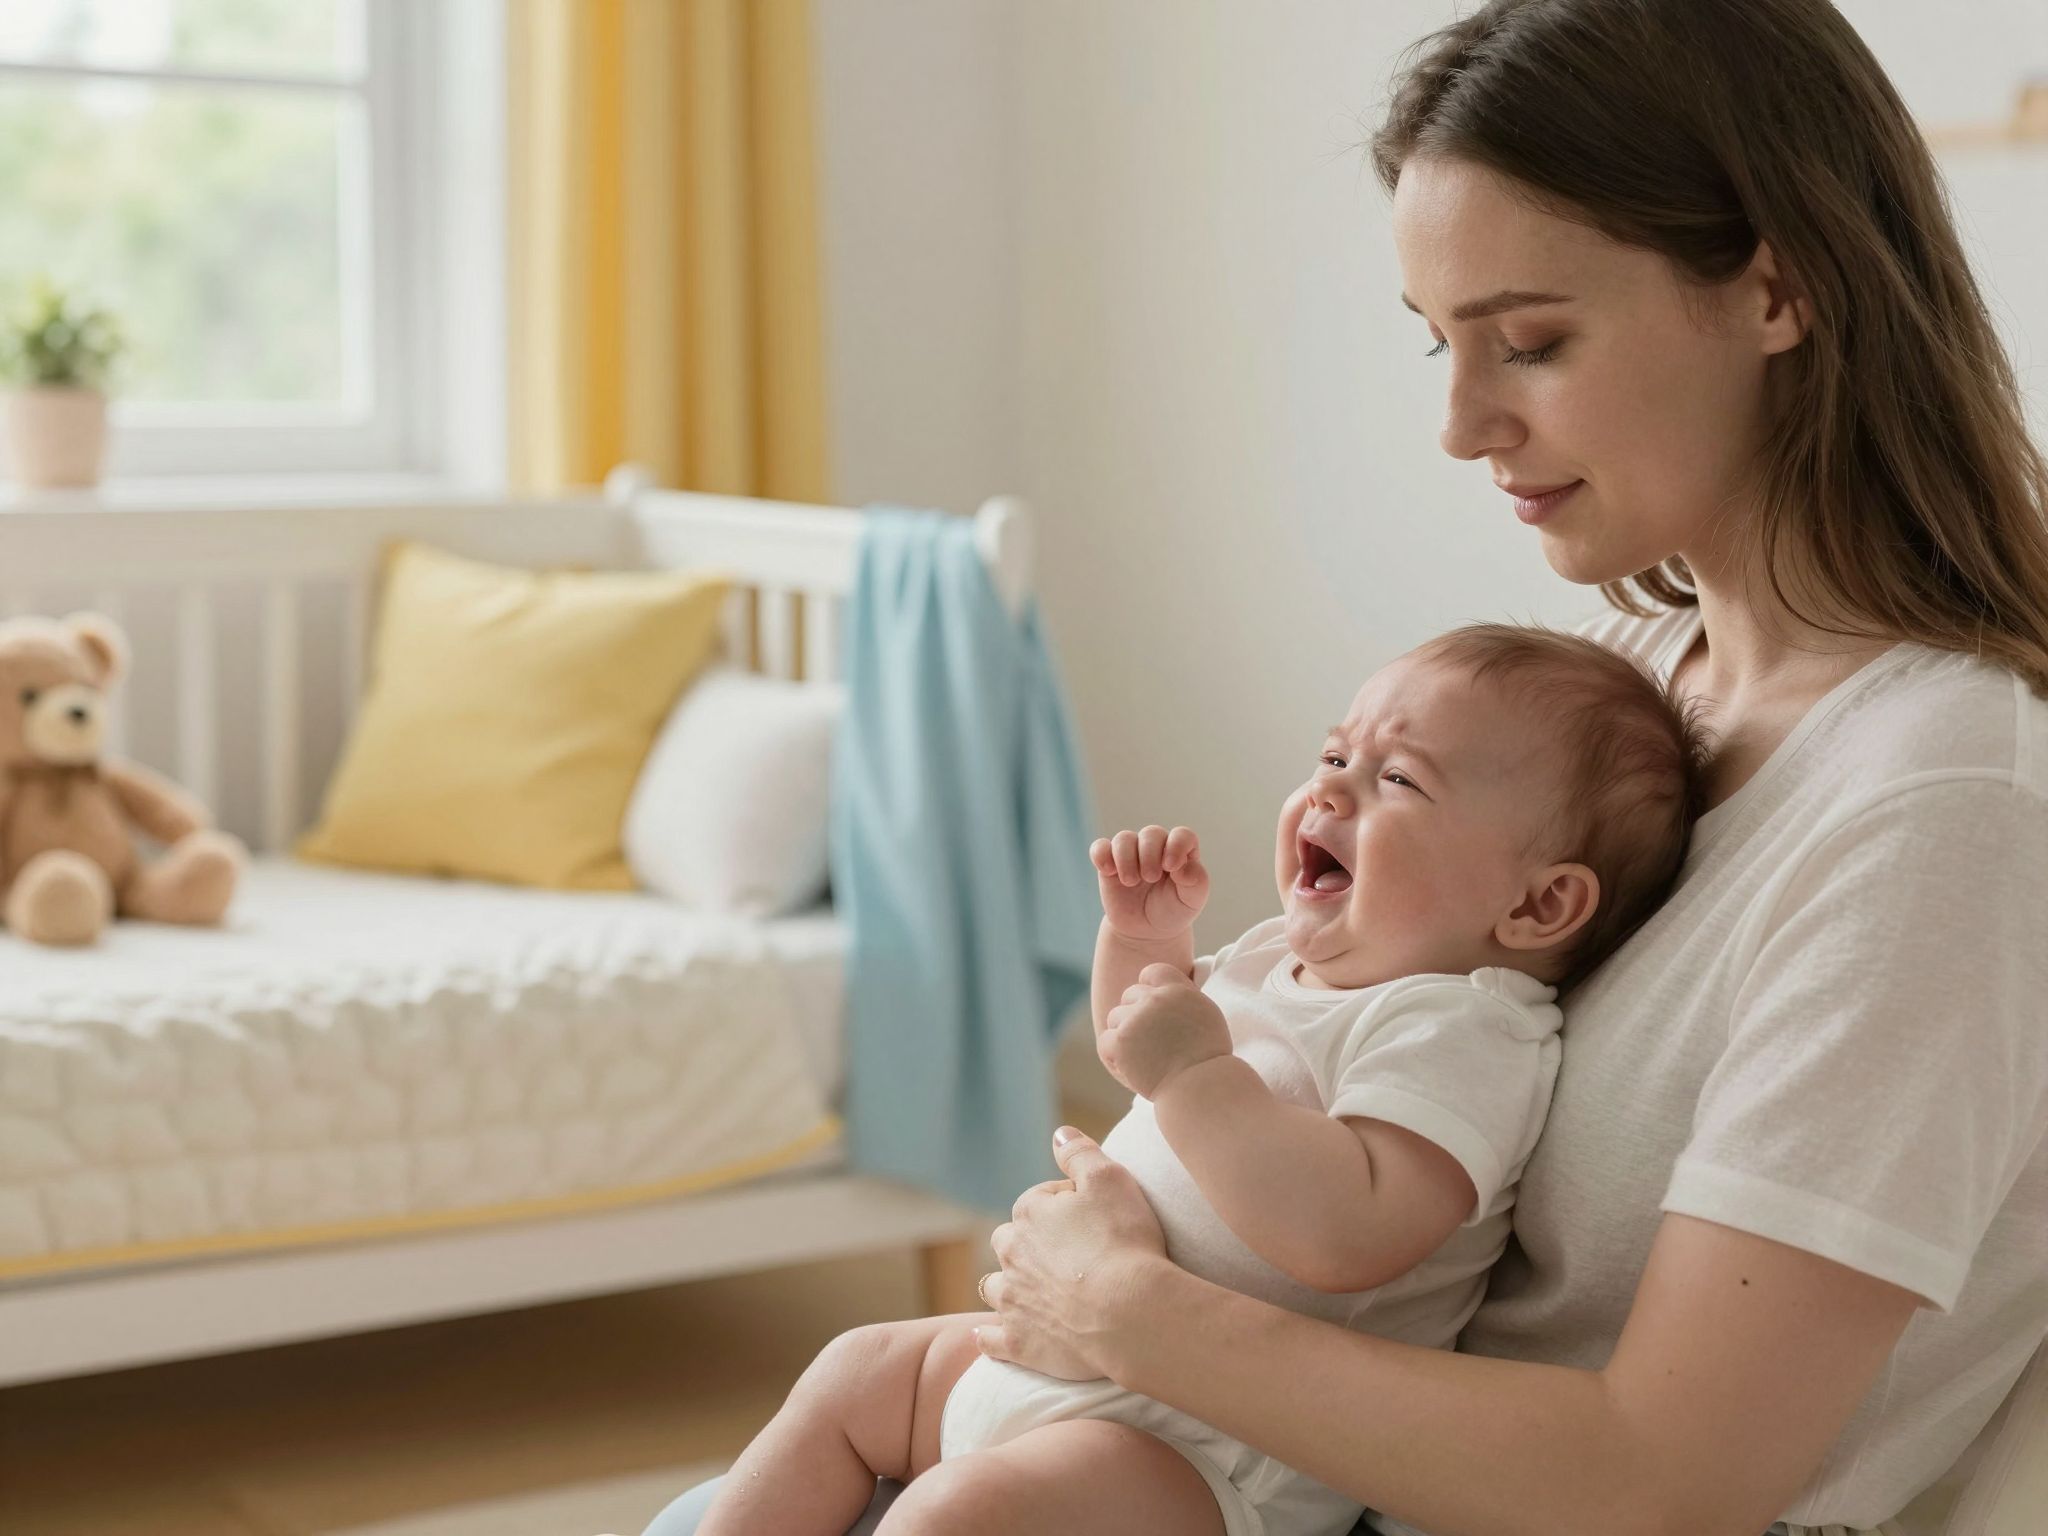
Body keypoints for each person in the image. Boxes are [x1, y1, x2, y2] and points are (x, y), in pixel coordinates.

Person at [646, 1, 2048, 1531]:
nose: (1459, 424)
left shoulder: (1941, 807)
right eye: (1440, 343)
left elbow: (1674, 1480)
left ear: (1779, 288)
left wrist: (1132, 1316)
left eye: (1532, 341)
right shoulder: (1647, 690)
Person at [688, 627, 1705, 1536]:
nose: (1330, 789)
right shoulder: (1283, 958)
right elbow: (1138, 1046)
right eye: (1332, 755)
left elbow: (1346, 1232)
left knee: (963, 1511)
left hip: (1210, 1456)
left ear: (1538, 907)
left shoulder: (1461, 1027)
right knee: (854, 1371)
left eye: (1398, 781)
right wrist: (1144, 943)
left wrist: (1199, 1073)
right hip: (1063, 1356)